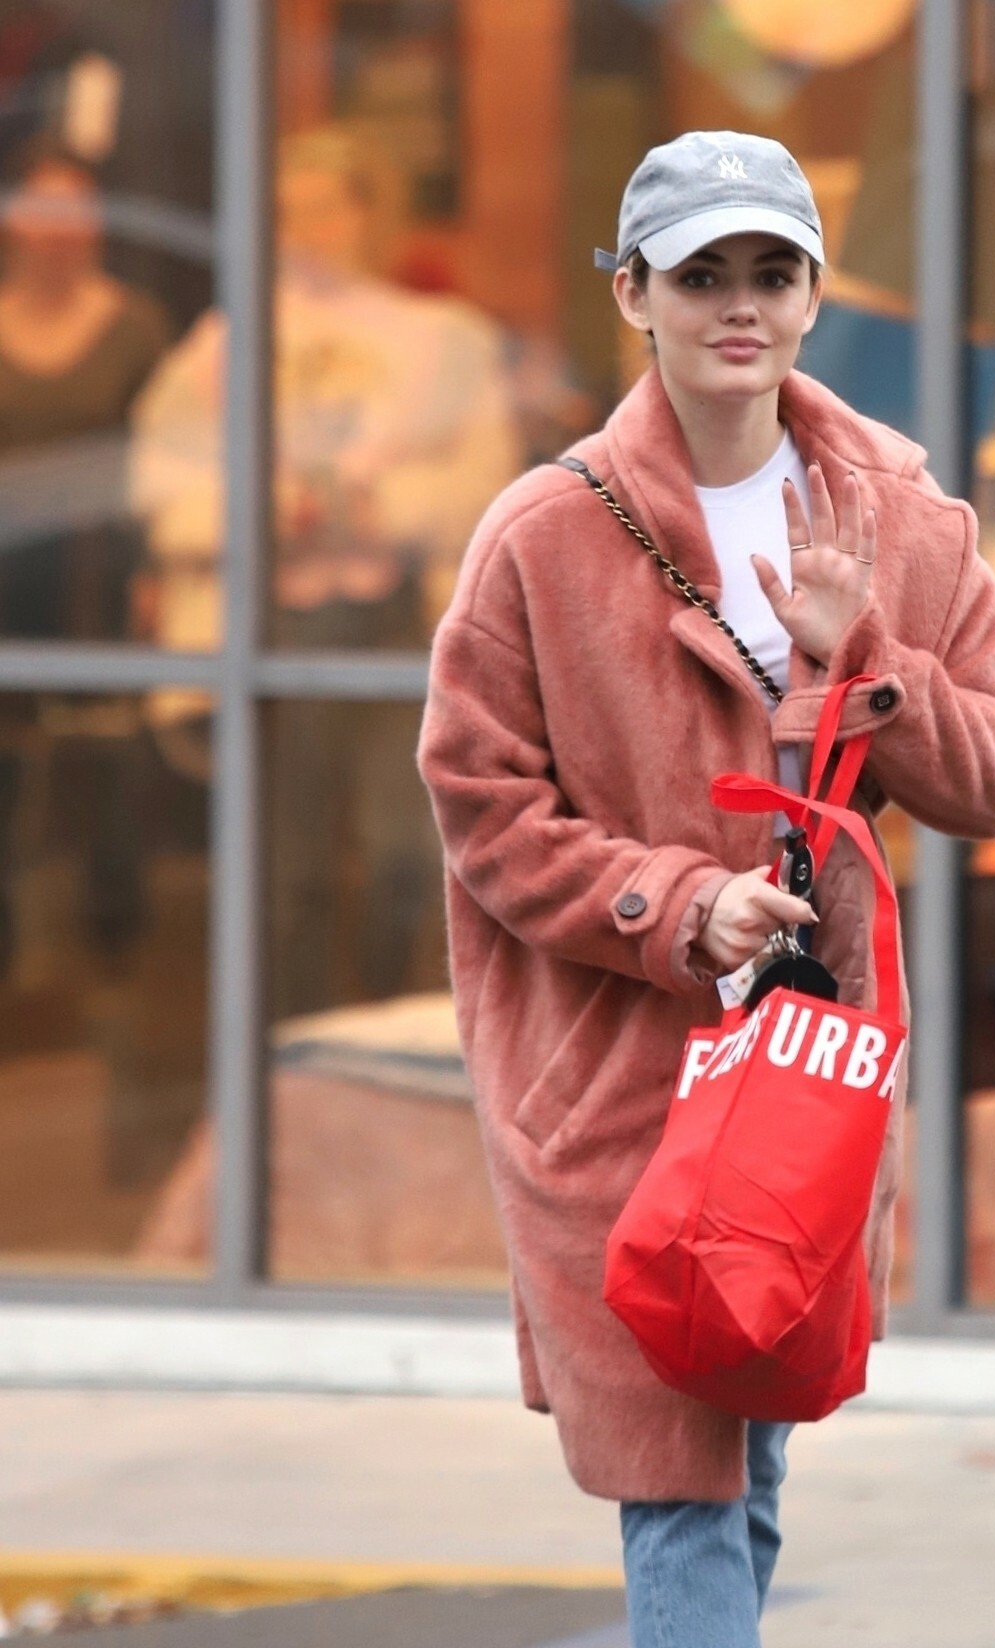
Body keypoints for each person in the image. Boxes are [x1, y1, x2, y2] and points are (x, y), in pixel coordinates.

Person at [418, 131, 995, 1648]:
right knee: (679, 1469)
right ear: (633, 295)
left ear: (816, 294)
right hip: (613, 1065)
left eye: (771, 272)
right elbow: (483, 807)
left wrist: (870, 663)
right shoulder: (542, 535)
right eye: (700, 275)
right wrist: (676, 903)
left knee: (745, 1457)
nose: (739, 308)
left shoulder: (907, 520)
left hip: (804, 1077)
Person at [130, 127, 520, 1016]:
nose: (311, 230)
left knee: (406, 852)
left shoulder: (439, 336)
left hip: (400, 618)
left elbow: (485, 481)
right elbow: (161, 479)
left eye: (328, 209)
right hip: (276, 622)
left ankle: (385, 1021)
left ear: (368, 215)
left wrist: (381, 506)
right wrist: (268, 509)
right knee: (289, 867)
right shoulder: (227, 343)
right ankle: (290, 1047)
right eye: (292, 212)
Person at [0, 137, 170, 974]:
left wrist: (155, 570)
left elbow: (170, 460)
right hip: (5, 576)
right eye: (45, 211)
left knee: (109, 764)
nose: (61, 230)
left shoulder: (135, 326)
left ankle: (114, 956)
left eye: (78, 210)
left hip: (99, 577)